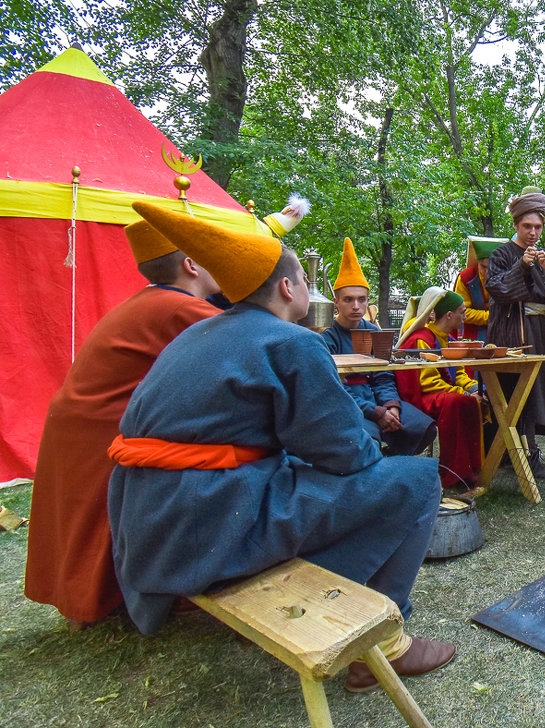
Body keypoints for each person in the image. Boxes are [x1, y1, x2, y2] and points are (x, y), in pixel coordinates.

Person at [109, 201, 454, 690]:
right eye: (306, 282)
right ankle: (382, 644)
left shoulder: (195, 333)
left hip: (149, 526)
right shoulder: (291, 340)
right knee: (416, 478)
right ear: (288, 287)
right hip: (208, 526)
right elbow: (344, 452)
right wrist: (372, 457)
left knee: (326, 477)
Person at [24, 220, 220, 627]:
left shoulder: (147, 301)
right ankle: (134, 594)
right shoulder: (183, 308)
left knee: (86, 517)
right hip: (103, 424)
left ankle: (90, 600)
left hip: (78, 418)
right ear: (190, 265)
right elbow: (248, 343)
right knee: (110, 512)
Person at [321, 238, 436, 456]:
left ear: (367, 301)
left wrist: (391, 406)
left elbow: (384, 375)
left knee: (423, 428)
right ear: (336, 302)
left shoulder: (375, 334)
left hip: (379, 401)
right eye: (348, 300)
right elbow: (336, 388)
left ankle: (389, 465)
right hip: (352, 407)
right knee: (366, 441)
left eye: (361, 299)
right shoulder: (328, 339)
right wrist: (375, 412)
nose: (356, 306)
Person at [485, 188, 545, 480]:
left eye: (538, 227)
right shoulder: (502, 254)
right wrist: (522, 265)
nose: (533, 232)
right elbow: (498, 290)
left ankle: (528, 450)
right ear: (516, 225)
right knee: (518, 391)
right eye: (527, 226)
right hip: (513, 333)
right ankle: (520, 454)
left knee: (539, 391)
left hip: (539, 331)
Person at [396, 288, 485, 491]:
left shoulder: (450, 341)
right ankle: (453, 475)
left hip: (441, 394)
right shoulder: (422, 339)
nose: (465, 316)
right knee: (458, 402)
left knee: (472, 401)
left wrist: (473, 389)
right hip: (419, 397)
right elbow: (427, 383)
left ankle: (471, 471)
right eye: (462, 312)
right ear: (449, 315)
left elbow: (459, 374)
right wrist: (462, 394)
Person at [455, 237, 504, 340]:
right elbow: (462, 311)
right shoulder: (466, 278)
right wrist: (489, 317)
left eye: (491, 267)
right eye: (483, 267)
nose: (487, 272)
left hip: (502, 333)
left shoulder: (506, 276)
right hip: (474, 335)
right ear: (477, 263)